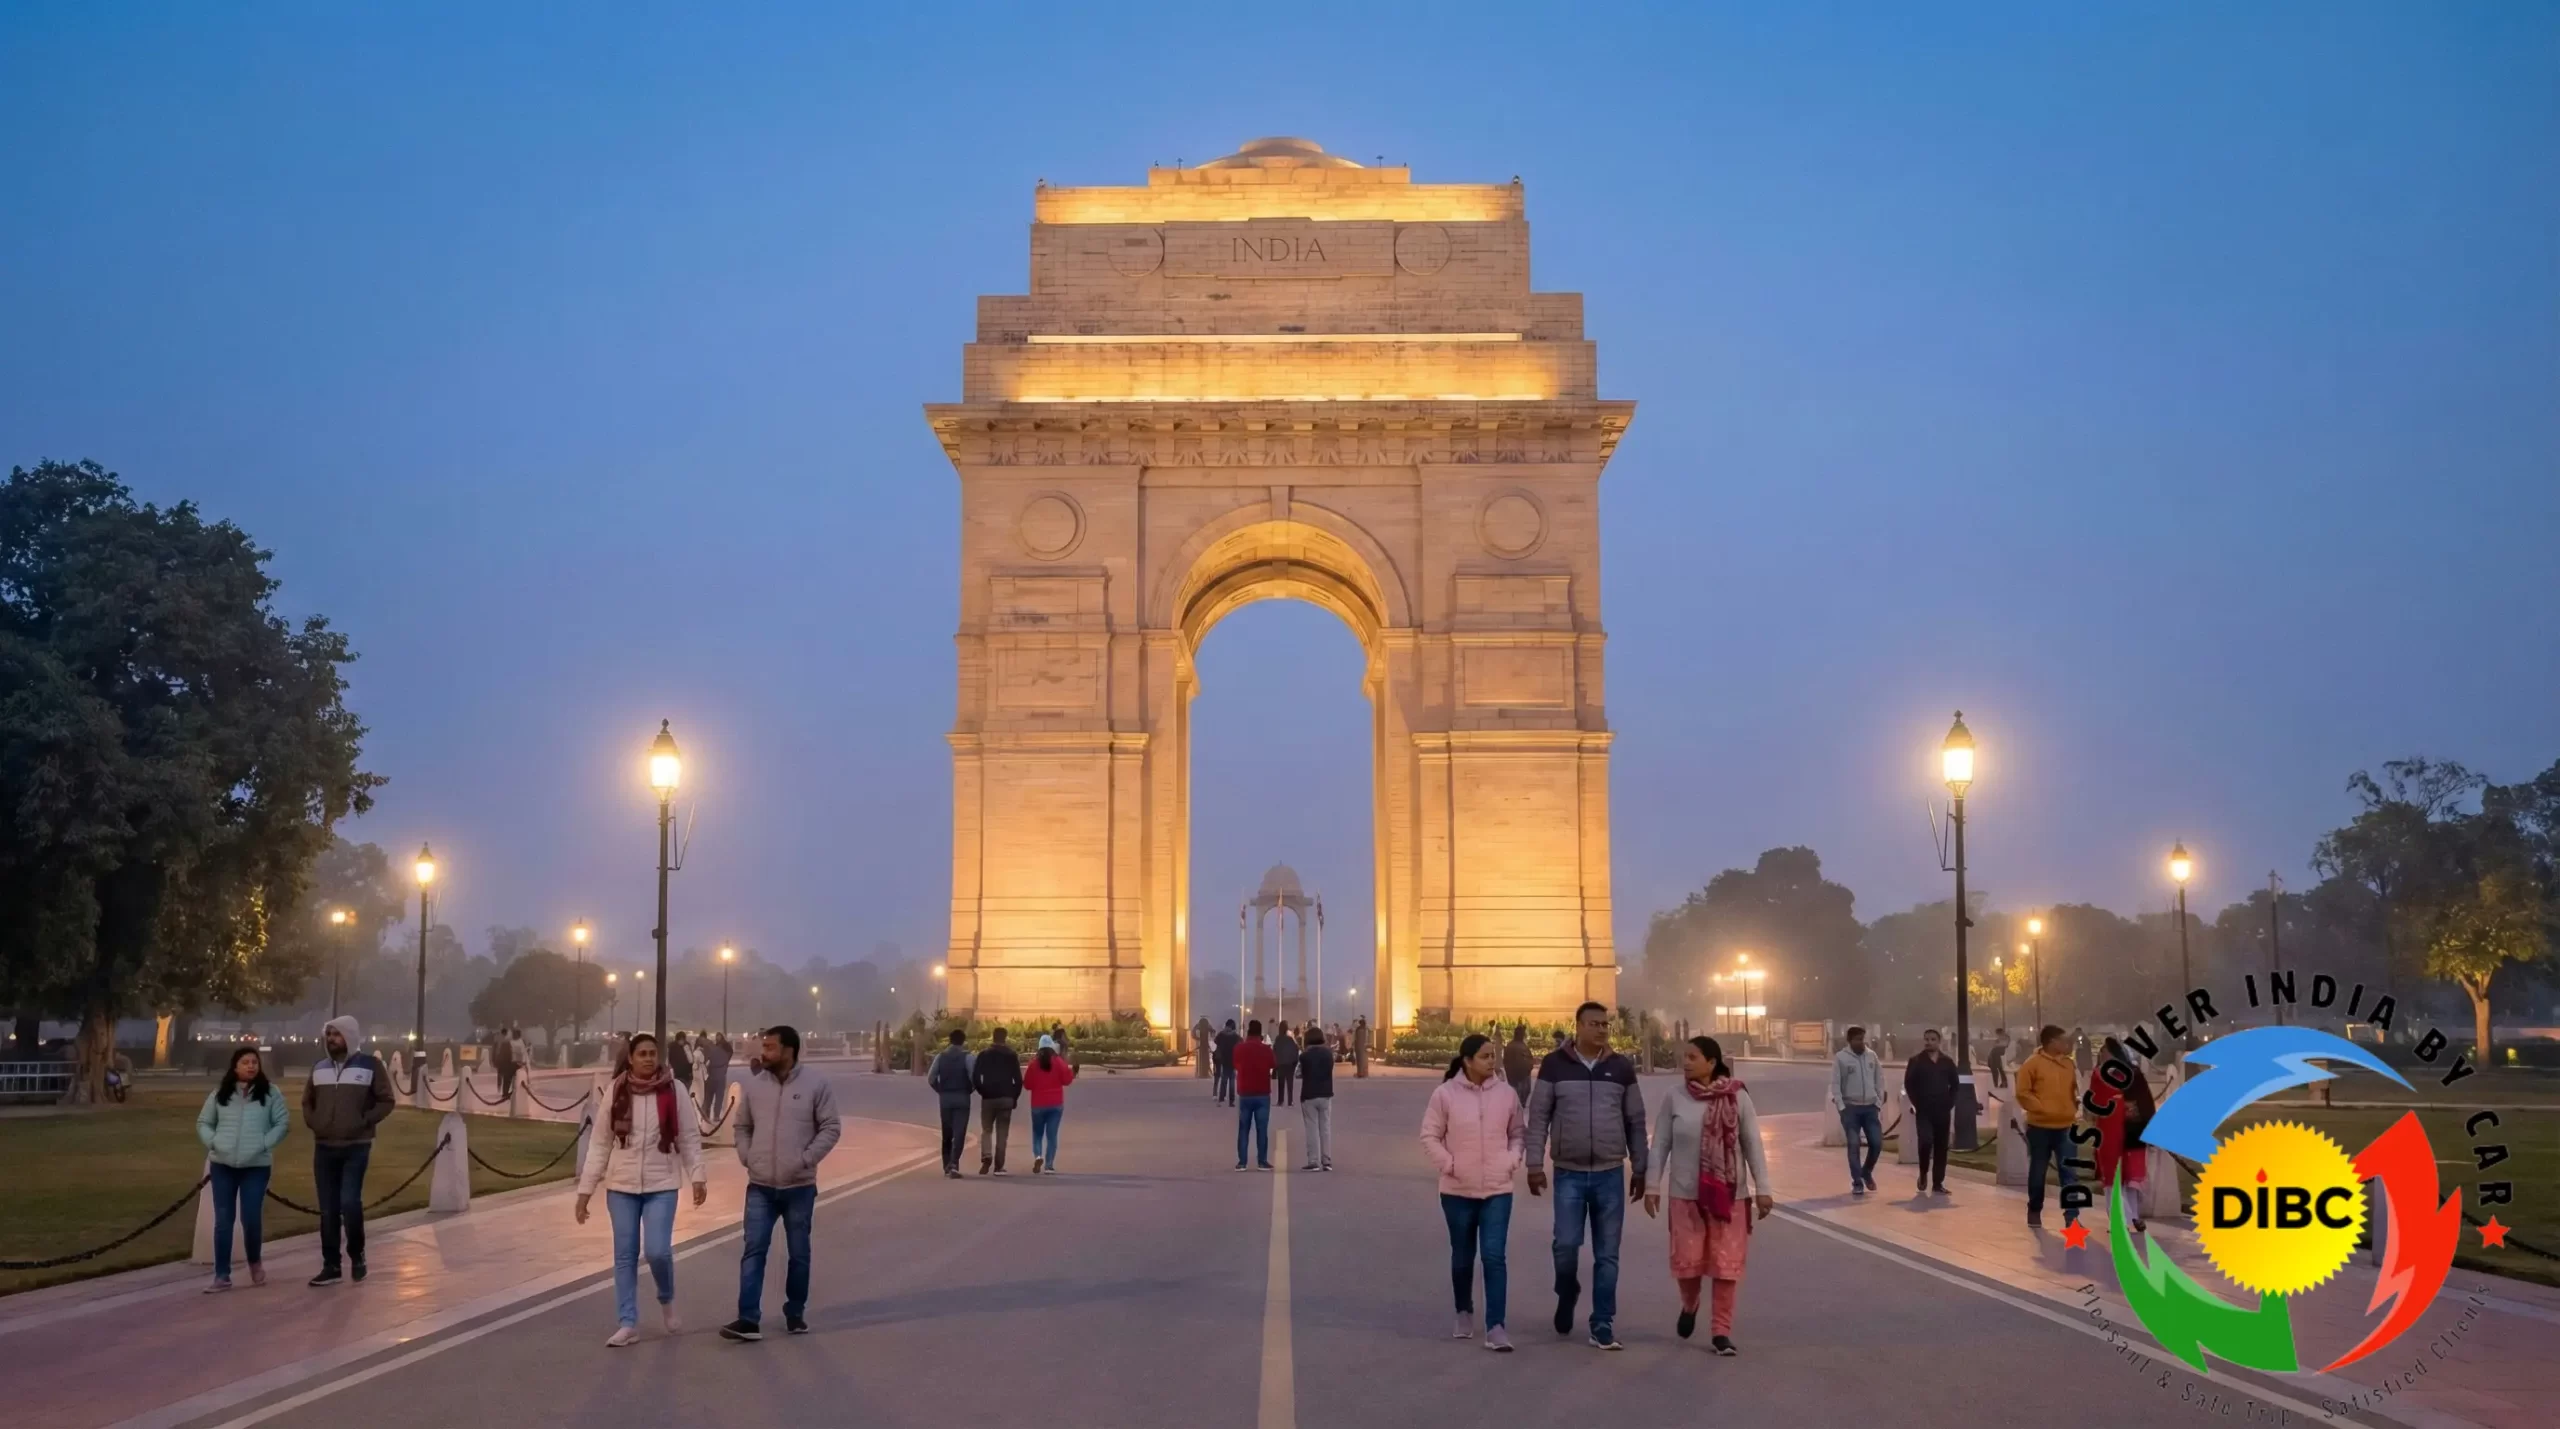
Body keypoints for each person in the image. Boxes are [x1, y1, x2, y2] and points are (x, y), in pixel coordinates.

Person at [1524, 1000, 1647, 1350]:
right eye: (1593, 1023)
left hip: (1610, 1173)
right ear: (1577, 1026)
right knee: (1565, 1246)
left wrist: (1640, 1167)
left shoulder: (1622, 1067)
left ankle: (1602, 1322)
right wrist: (1535, 1165)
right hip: (1569, 1174)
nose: (1601, 1029)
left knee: (1607, 1254)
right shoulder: (1553, 1065)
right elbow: (1538, 1118)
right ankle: (1567, 1290)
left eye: (1605, 1024)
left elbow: (1635, 1121)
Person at [1643, 1036, 1773, 1355]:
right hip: (1685, 1196)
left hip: (1730, 1196)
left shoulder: (1737, 1097)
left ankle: (1720, 1331)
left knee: (1726, 1266)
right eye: (1684, 1057)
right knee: (1687, 1265)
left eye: (1692, 1057)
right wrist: (1651, 1185)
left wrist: (1763, 1189)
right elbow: (1660, 1143)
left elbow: (1753, 1144)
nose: (1685, 1062)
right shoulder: (1674, 1097)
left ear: (1711, 1062)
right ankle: (1690, 1304)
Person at [577, 1032, 707, 1346]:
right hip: (621, 1185)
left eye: (653, 1053)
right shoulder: (617, 1091)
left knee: (657, 1251)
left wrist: (697, 1176)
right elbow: (600, 1144)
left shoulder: (674, 1090)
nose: (649, 1058)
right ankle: (628, 1322)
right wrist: (585, 1191)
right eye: (642, 1054)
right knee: (625, 1255)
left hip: (662, 1183)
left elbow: (689, 1137)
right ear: (631, 1058)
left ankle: (666, 1298)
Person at [722, 1024, 842, 1341]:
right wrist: (748, 1156)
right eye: (764, 1047)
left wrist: (805, 1159)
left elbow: (831, 1127)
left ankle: (795, 1312)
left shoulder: (816, 1084)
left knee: (799, 1253)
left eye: (770, 1048)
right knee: (753, 1251)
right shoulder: (754, 1085)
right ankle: (748, 1319)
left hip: (799, 1186)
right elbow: (741, 1126)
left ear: (789, 1050)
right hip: (760, 1184)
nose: (764, 1054)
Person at [1422, 1033, 1524, 1351]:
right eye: (1484, 1056)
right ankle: (1463, 1310)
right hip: (1457, 1190)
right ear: (1467, 1061)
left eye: (1493, 1055)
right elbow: (1430, 1135)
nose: (1491, 1061)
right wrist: (1449, 1164)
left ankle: (1496, 1326)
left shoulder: (1507, 1095)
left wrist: (1510, 1160)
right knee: (1463, 1257)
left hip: (1497, 1188)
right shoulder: (1445, 1095)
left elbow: (1517, 1133)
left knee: (1494, 1257)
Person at [302, 1016, 395, 1286]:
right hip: (324, 1147)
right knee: (328, 1209)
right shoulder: (319, 1068)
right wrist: (315, 1122)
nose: (330, 1039)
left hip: (356, 1146)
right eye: (328, 1034)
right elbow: (308, 1101)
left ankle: (358, 1255)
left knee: (349, 1202)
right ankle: (331, 1265)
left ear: (350, 1037)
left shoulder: (370, 1065)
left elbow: (386, 1100)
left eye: (336, 1034)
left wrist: (364, 1120)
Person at [196, 1045, 290, 1291]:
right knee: (224, 1220)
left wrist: (263, 1144)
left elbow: (282, 1123)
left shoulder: (270, 1093)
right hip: (223, 1165)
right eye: (245, 1062)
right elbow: (204, 1122)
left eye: (254, 1062)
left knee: (250, 1218)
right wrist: (214, 1142)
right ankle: (222, 1274)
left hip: (255, 1167)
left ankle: (254, 1262)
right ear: (235, 1066)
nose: (251, 1066)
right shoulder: (221, 1093)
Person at [2014, 1023, 2082, 1231]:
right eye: (2063, 1040)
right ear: (2052, 1042)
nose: (2067, 1043)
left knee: (2069, 1172)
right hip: (2040, 1127)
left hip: (2066, 1126)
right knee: (2038, 1169)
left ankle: (2072, 1216)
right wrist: (2042, 1108)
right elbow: (2022, 1093)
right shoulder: (2032, 1064)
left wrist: (2076, 1103)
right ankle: (2034, 1208)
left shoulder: (2069, 1065)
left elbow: (2073, 1089)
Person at [2089, 1035, 2156, 1234]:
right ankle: (2122, 1218)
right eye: (2102, 1052)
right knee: (2113, 1175)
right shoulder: (2100, 1074)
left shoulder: (2132, 1073)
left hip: (2131, 1130)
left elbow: (2145, 1102)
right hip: (2110, 1129)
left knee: (2130, 1177)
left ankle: (2132, 1215)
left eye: (2106, 1052)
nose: (2104, 1055)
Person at [1902, 1028, 1959, 1196]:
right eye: (1926, 1039)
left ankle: (1938, 1182)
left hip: (1942, 1110)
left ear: (1939, 1041)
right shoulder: (1916, 1061)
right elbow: (1909, 1084)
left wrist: (1950, 1102)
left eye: (1933, 1039)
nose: (1929, 1042)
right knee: (1925, 1141)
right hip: (1924, 1110)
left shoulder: (1947, 1062)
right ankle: (1923, 1173)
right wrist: (1917, 1102)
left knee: (1941, 1146)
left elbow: (1955, 1085)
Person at [1831, 1026, 1885, 1196]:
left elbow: (1879, 1080)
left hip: (1870, 1108)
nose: (1861, 1042)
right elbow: (1835, 1084)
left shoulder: (1871, 1056)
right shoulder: (1841, 1058)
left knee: (1876, 1143)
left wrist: (1878, 1102)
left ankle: (1866, 1171)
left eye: (1863, 1038)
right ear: (1850, 1040)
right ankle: (1857, 1181)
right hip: (1851, 1109)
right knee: (1854, 1145)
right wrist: (1841, 1107)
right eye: (1857, 1039)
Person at [972, 1026, 1023, 1174]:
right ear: (1005, 1038)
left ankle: (986, 1155)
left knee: (986, 1130)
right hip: (1006, 1098)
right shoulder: (1011, 1055)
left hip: (988, 1098)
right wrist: (1014, 1097)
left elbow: (976, 1077)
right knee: (1002, 1133)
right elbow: (1018, 1080)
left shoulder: (984, 1055)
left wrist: (983, 1091)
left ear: (992, 1037)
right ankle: (999, 1166)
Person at [1023, 1034, 1077, 1173]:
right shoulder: (1059, 1062)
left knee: (1037, 1134)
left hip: (1038, 1105)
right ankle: (1049, 1165)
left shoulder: (1033, 1064)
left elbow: (1027, 1085)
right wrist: (1073, 1072)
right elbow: (1067, 1080)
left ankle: (1038, 1156)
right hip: (1055, 1104)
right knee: (1052, 1136)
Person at [927, 1028, 975, 1178]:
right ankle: (954, 1163)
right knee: (959, 1133)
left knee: (947, 1133)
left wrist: (940, 1090)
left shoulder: (940, 1057)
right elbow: (974, 1077)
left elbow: (931, 1078)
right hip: (962, 1098)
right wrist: (969, 1089)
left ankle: (946, 1164)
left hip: (945, 1099)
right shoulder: (968, 1057)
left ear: (950, 1040)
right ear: (963, 1041)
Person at [1230, 1020, 1277, 1170]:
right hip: (1262, 1093)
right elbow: (1273, 1064)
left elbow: (1235, 1064)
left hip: (1245, 1093)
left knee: (1243, 1128)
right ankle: (1262, 1161)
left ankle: (1242, 1162)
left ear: (1248, 1031)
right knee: (1262, 1129)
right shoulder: (1266, 1049)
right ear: (1260, 1033)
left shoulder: (1239, 1048)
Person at [1298, 1027, 1336, 1172]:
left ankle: (1313, 1161)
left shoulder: (1304, 1056)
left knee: (1311, 1128)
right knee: (1325, 1128)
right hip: (1325, 1094)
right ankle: (1327, 1161)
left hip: (1309, 1095)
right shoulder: (1328, 1054)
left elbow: (1299, 1073)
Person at [703, 1033, 733, 1119]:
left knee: (709, 1096)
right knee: (719, 1097)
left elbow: (707, 1065)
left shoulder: (711, 1052)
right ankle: (716, 1115)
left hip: (711, 1077)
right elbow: (726, 1062)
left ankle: (706, 1114)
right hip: (721, 1077)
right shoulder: (725, 1054)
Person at [1502, 1023, 1534, 1105]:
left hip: (1512, 1077)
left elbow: (1505, 1062)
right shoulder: (1521, 1047)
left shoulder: (1510, 1046)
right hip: (1521, 1078)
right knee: (1520, 1100)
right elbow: (1527, 1063)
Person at [1212, 1019, 1241, 1106]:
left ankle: (1221, 1097)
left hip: (1224, 1060)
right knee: (1232, 1081)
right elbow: (1241, 1043)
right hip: (1233, 1060)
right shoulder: (1236, 1036)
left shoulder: (1221, 1035)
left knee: (1224, 1080)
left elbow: (1215, 1043)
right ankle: (1231, 1101)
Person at [1272, 1022, 1299, 1108]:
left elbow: (1275, 1050)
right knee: (1290, 1082)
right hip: (1290, 1064)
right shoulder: (1290, 1039)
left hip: (1281, 1063)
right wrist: (1294, 1061)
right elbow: (1295, 1049)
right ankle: (1290, 1101)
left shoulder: (1278, 1039)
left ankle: (1280, 1101)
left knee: (1281, 1082)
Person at [668, 1031, 695, 1096]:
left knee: (678, 1093)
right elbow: (691, 1060)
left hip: (679, 1075)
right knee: (684, 1093)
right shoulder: (685, 1046)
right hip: (684, 1075)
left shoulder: (671, 1046)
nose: (682, 1042)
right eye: (681, 1040)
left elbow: (669, 1060)